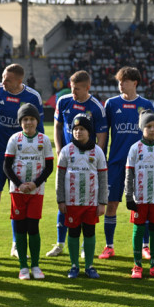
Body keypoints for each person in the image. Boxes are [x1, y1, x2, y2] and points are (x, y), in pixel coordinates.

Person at [0, 63, 44, 262]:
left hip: (21, 155)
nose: (3, 81)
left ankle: (16, 244)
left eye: (8, 79)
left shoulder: (32, 97)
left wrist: (39, 153)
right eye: (3, 77)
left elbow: (40, 129)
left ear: (20, 81)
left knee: (18, 198)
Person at [49, 71, 108, 258]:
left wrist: (94, 156)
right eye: (72, 88)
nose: (73, 92)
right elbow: (57, 126)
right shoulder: (63, 101)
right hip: (68, 159)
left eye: (77, 89)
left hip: (87, 162)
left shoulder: (96, 107)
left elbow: (102, 136)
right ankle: (59, 243)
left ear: (87, 87)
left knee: (87, 203)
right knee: (64, 201)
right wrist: (59, 149)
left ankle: (85, 246)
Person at [101, 66, 154, 260]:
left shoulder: (146, 104)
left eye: (124, 81)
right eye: (118, 81)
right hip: (115, 163)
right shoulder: (111, 103)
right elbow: (103, 133)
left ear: (134, 83)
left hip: (141, 165)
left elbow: (152, 133)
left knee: (142, 205)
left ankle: (145, 246)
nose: (120, 84)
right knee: (112, 204)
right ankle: (109, 246)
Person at [3, 103, 54, 280]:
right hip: (17, 191)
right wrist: (19, 184)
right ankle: (23, 266)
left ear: (37, 121)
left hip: (36, 191)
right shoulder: (14, 139)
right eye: (25, 119)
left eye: (32, 119)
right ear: (20, 122)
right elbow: (7, 166)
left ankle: (36, 266)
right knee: (20, 227)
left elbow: (49, 167)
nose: (29, 122)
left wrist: (34, 184)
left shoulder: (44, 140)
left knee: (33, 227)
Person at [55, 114, 107, 279]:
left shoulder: (97, 151)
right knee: (73, 233)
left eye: (82, 129)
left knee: (90, 233)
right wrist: (61, 199)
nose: (78, 132)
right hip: (72, 202)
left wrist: (102, 202)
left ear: (89, 131)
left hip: (91, 202)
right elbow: (60, 177)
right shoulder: (66, 150)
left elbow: (103, 178)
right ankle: (74, 266)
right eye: (75, 129)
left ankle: (89, 266)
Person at [124, 110, 154, 279]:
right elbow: (129, 174)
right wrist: (129, 196)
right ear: (142, 128)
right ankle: (137, 265)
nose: (152, 129)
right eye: (148, 126)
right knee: (138, 229)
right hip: (140, 197)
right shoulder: (135, 148)